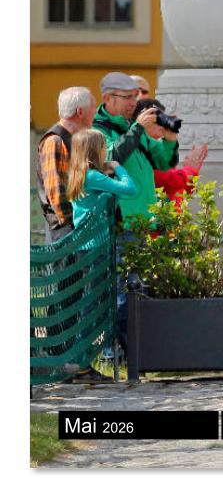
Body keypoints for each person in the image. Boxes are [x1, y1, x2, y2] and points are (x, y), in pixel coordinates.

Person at [63, 127, 136, 382]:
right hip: (97, 246)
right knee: (95, 303)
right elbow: (130, 189)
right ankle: (80, 360)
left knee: (93, 302)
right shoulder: (93, 176)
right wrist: (118, 168)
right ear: (96, 151)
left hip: (87, 246)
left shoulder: (79, 174)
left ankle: (82, 360)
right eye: (104, 147)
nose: (107, 152)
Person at [92, 72, 178, 223]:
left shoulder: (132, 126)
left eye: (135, 96)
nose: (134, 102)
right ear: (107, 98)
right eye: (127, 97)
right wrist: (137, 128)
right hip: (120, 224)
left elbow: (164, 163)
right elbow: (111, 159)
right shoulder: (96, 129)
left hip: (145, 221)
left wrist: (170, 140)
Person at [36, 86, 95, 242]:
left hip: (72, 228)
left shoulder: (72, 139)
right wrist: (72, 228)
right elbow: (56, 190)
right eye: (93, 108)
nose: (94, 114)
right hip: (64, 231)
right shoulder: (55, 140)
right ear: (80, 112)